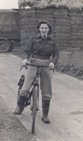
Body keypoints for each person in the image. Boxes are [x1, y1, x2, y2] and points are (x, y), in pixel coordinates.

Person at [14, 21, 59, 124]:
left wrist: (52, 62)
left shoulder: (52, 41)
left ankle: (45, 115)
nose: (44, 29)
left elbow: (56, 54)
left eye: (46, 28)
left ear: (48, 29)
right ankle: (19, 107)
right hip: (33, 62)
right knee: (25, 87)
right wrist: (25, 59)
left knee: (47, 91)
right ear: (39, 29)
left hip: (46, 64)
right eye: (42, 28)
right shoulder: (33, 39)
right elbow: (27, 51)